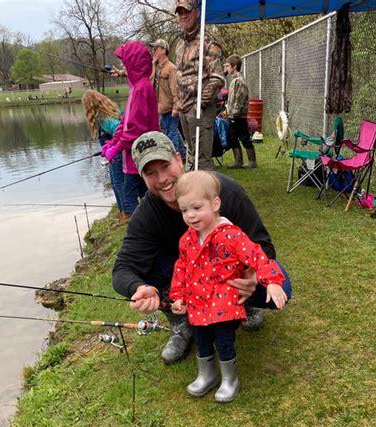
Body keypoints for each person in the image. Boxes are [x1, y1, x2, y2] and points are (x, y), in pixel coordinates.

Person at [112, 131, 292, 365]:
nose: (163, 178)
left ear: (179, 159)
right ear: (142, 177)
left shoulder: (223, 190)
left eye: (166, 166)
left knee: (283, 286)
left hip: (229, 275)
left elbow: (263, 244)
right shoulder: (146, 214)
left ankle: (243, 304)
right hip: (188, 280)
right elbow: (122, 269)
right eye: (151, 173)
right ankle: (181, 321)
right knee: (144, 269)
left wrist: (252, 276)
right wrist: (140, 287)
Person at [170, 171, 287, 402]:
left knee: (224, 341)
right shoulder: (187, 239)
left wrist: (272, 281)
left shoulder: (231, 236)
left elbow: (257, 256)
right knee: (202, 339)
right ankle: (207, 375)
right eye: (184, 210)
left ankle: (229, 379)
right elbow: (181, 268)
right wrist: (178, 296)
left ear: (215, 204)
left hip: (224, 303)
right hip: (197, 303)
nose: (190, 216)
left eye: (196, 207)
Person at [101, 41, 159, 219]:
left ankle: (141, 232)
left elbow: (136, 129)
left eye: (124, 61)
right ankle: (151, 227)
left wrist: (117, 148)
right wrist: (112, 142)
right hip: (133, 156)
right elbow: (125, 122)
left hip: (141, 154)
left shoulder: (142, 89)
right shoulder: (135, 88)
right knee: (146, 195)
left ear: (133, 62)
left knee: (129, 199)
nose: (122, 65)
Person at [174, 0, 225, 170]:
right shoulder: (180, 45)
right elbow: (179, 76)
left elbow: (217, 77)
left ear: (196, 12)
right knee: (193, 158)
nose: (183, 16)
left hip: (199, 111)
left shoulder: (208, 42)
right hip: (183, 109)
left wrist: (200, 104)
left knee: (203, 161)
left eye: (187, 11)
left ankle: (210, 195)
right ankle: (196, 194)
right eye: (180, 12)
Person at [82, 90, 125, 222]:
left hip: (117, 154)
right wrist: (106, 149)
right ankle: (121, 210)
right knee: (114, 182)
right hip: (113, 155)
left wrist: (112, 148)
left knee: (118, 182)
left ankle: (127, 213)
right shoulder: (104, 116)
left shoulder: (104, 119)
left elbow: (120, 131)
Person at [150, 38, 187, 162]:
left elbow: (176, 89)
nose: (153, 51)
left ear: (163, 50)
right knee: (174, 131)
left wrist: (176, 107)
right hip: (161, 107)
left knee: (171, 134)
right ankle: (184, 156)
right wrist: (122, 73)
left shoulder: (171, 68)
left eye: (156, 49)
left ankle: (174, 161)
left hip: (170, 107)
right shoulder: (155, 67)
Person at [224, 54, 257, 169]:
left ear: (234, 66)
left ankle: (252, 161)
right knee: (232, 138)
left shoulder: (240, 81)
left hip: (238, 116)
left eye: (228, 66)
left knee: (244, 137)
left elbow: (240, 99)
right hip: (233, 115)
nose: (226, 68)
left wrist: (234, 114)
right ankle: (238, 161)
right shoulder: (233, 80)